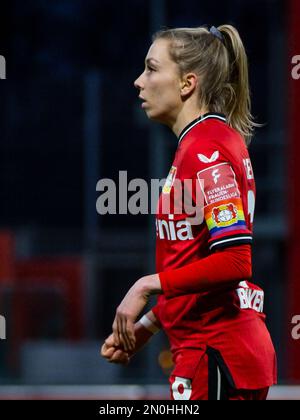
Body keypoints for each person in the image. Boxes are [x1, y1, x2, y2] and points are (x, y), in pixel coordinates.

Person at [101, 24, 277, 400]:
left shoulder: (205, 150)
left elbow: (234, 261)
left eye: (151, 68)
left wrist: (145, 285)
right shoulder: (203, 144)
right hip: (211, 353)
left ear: (187, 84)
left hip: (216, 354)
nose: (138, 81)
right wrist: (149, 325)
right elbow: (195, 266)